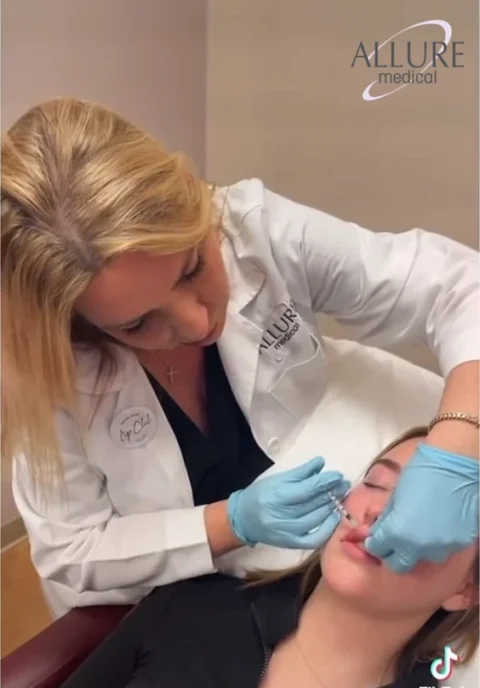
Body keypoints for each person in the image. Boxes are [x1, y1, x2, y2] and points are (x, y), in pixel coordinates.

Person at [1, 98, 479, 614]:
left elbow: (454, 287)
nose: (199, 324)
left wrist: (456, 444)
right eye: (136, 324)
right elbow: (74, 548)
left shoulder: (249, 224)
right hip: (158, 595)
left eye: (193, 267)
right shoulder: (43, 367)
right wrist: (231, 523)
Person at [3, 427, 479, 688]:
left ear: (465, 589)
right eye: (376, 482)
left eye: (425, 515)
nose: (380, 510)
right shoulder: (193, 608)